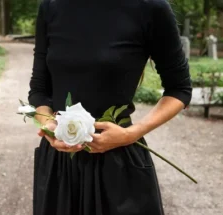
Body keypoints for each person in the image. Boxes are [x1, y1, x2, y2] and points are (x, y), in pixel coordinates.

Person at [28, 0, 192, 214]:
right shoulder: (51, 6)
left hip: (118, 164)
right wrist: (48, 125)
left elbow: (179, 89)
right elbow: (39, 90)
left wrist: (131, 134)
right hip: (60, 167)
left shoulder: (150, 8)